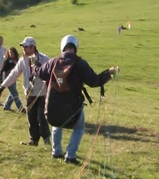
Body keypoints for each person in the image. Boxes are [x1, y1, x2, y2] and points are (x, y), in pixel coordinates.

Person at [34, 34, 118, 165]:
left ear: (63, 47)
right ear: (75, 47)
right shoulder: (80, 63)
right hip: (72, 106)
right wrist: (109, 73)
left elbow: (40, 73)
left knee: (57, 125)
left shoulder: (53, 62)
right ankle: (70, 155)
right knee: (79, 128)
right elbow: (94, 81)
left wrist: (36, 64)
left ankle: (56, 152)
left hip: (52, 106)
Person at [0, 36, 51, 146]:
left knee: (41, 117)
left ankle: (47, 141)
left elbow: (51, 74)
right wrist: (2, 86)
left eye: (25, 47)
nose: (23, 49)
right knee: (31, 118)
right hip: (30, 94)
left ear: (33, 47)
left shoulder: (45, 59)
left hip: (42, 94)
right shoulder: (22, 60)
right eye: (23, 47)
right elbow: (14, 74)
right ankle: (33, 140)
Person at [0, 47, 24, 112]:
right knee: (15, 93)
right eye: (9, 52)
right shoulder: (7, 61)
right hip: (8, 78)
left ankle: (6, 106)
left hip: (14, 78)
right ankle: (20, 108)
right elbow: (1, 71)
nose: (11, 54)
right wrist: (1, 82)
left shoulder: (17, 60)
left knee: (12, 93)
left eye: (12, 52)